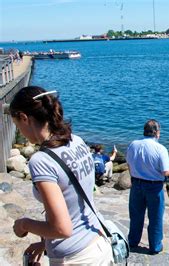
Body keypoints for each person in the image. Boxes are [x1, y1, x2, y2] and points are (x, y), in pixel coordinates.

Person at [11, 86, 113, 265]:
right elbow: (72, 200)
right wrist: (45, 243)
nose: (19, 131)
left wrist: (24, 224)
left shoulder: (41, 161)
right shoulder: (76, 141)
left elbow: (62, 228)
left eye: (17, 125)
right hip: (98, 243)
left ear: (24, 118)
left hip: (76, 258)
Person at [126, 119, 169, 255]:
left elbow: (129, 165)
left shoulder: (133, 145)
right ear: (157, 133)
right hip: (154, 186)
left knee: (136, 215)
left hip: (136, 184)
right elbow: (165, 171)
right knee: (155, 217)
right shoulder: (160, 149)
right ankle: (155, 246)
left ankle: (133, 241)